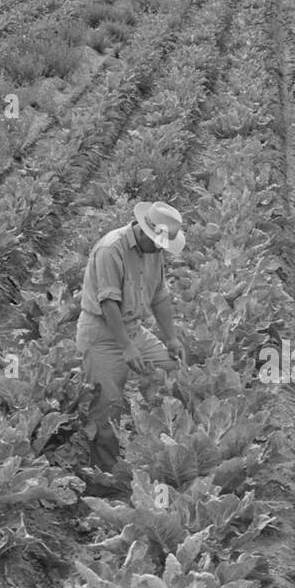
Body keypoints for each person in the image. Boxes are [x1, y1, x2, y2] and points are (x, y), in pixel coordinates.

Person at [77, 200, 187, 472]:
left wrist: (171, 337)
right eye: (158, 242)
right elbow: (108, 303)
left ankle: (170, 436)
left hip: (133, 329)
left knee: (174, 370)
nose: (161, 248)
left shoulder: (154, 251)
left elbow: (159, 295)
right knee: (107, 407)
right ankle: (106, 473)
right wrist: (126, 347)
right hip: (103, 334)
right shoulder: (110, 249)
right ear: (143, 231)